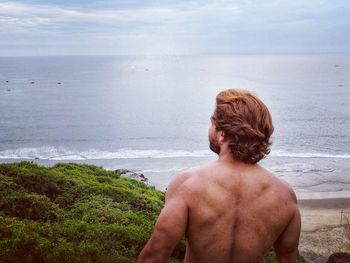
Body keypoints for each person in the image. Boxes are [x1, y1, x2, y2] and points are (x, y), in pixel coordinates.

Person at [137, 89, 301, 263]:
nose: (210, 130)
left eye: (212, 124)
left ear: (222, 134)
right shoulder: (284, 196)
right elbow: (289, 259)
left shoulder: (187, 185)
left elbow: (154, 256)